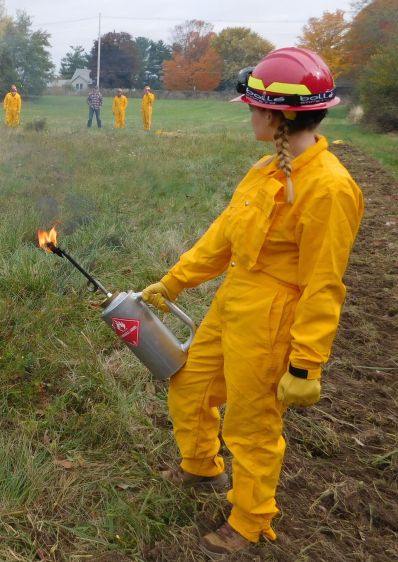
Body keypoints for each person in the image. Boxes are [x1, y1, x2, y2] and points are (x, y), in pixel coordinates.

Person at [140, 47, 363, 557]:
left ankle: (249, 518)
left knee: (252, 423)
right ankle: (201, 466)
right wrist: (174, 283)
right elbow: (222, 238)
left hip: (272, 317)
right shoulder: (265, 170)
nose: (249, 114)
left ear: (280, 114)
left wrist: (306, 365)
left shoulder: (330, 189)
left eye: (253, 106)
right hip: (233, 300)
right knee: (188, 381)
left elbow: (324, 285)